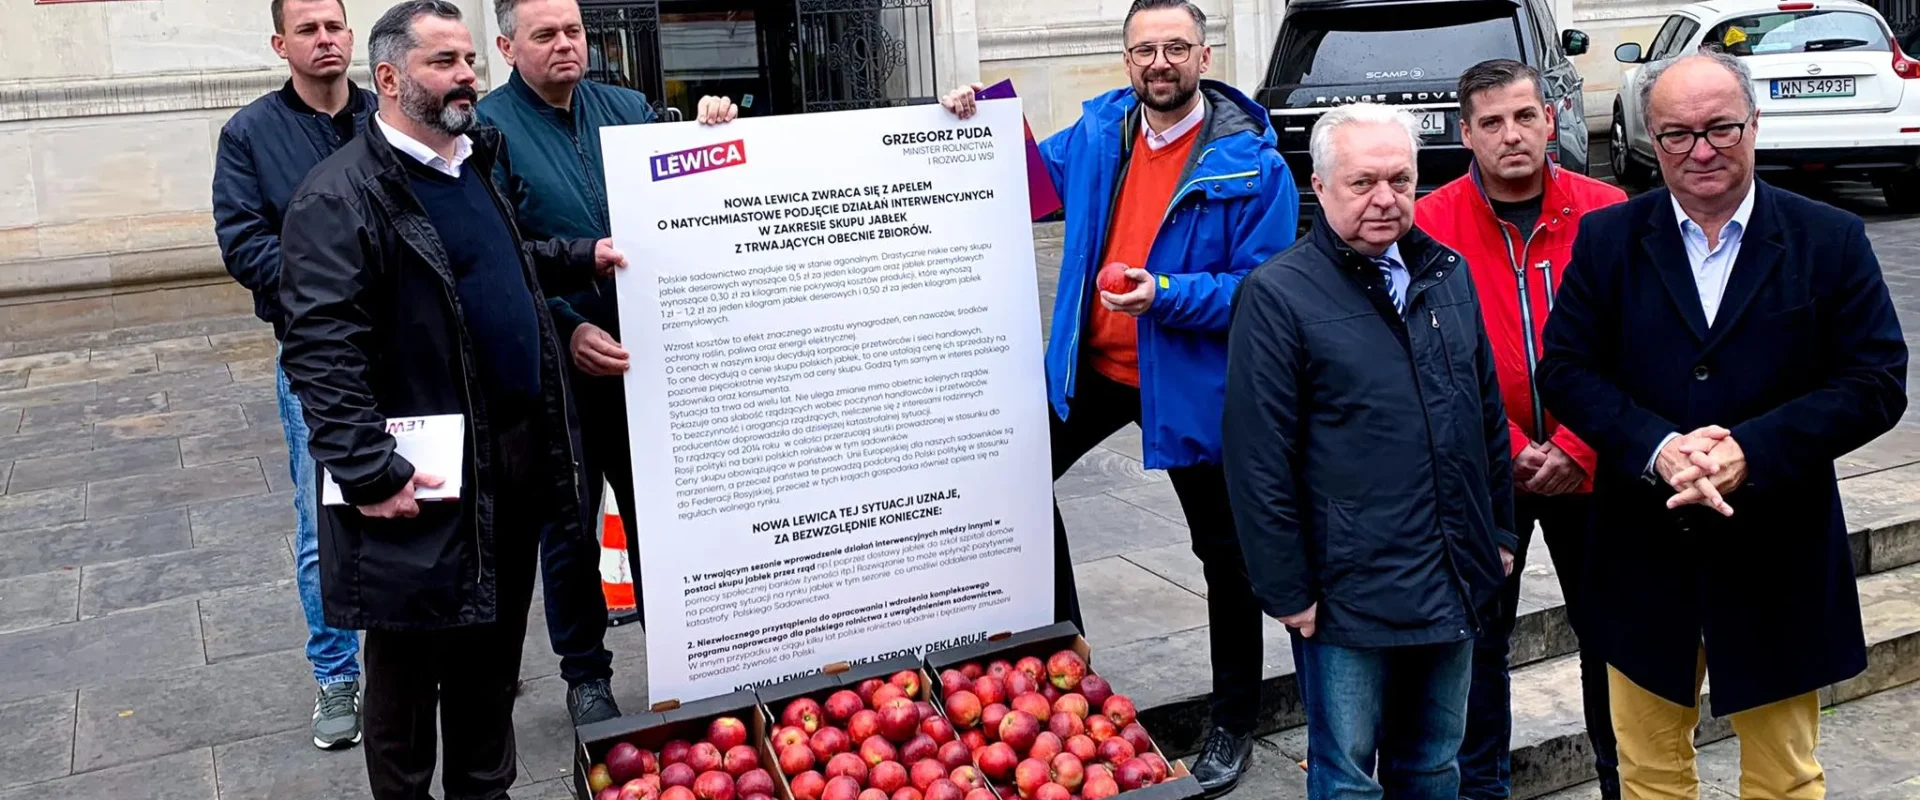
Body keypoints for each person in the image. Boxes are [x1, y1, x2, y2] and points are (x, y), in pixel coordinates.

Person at [942, 0, 1297, 792]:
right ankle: (1067, 662)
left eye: (1176, 47)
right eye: (1144, 50)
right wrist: (975, 118)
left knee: (1226, 556)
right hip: (1092, 370)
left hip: (1189, 382)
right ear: (1126, 60)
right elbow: (1031, 188)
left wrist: (1165, 292)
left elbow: (1260, 293)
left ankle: (1233, 725)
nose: (1159, 63)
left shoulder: (1253, 163)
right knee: (1013, 486)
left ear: (1205, 56)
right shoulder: (1103, 133)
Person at [1537, 50, 1907, 800]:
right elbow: (1566, 371)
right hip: (1642, 551)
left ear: (1755, 125)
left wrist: (1752, 450)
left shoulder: (1827, 238)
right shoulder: (1611, 239)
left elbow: (1875, 381)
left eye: (1720, 128)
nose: (1700, 150)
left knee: (1784, 778)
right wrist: (1658, 448)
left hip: (1777, 551)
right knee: (1650, 774)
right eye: (1677, 134)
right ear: (1649, 139)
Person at [277, 2, 625, 795]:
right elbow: (320, 350)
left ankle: (486, 788)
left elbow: (500, 262)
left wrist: (581, 257)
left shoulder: (468, 163)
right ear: (392, 78)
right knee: (406, 675)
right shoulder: (342, 195)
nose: (467, 75)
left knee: (490, 662)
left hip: (510, 458)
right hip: (418, 476)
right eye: (444, 62)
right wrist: (370, 472)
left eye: (469, 59)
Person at [1222, 101, 1516, 800]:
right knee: (1349, 777)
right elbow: (1257, 456)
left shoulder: (1448, 275)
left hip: (1451, 572)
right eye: (1362, 183)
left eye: (1401, 180)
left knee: (1433, 765)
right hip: (1344, 591)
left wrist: (1498, 531)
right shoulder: (1279, 295)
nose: (1385, 200)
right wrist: (1287, 589)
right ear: (1319, 187)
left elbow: (1486, 417)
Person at [476, 0, 736, 725]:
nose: (565, 45)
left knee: (666, 519)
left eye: (574, 31)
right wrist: (566, 330)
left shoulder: (626, 108)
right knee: (569, 527)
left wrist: (711, 124)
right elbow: (498, 258)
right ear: (505, 46)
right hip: (560, 373)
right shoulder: (488, 131)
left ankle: (685, 654)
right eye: (545, 35)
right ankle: (585, 675)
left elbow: (691, 195)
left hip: (653, 363)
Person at [1413, 59, 1625, 800]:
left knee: (1613, 642)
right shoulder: (1429, 224)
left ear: (1551, 119)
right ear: (1465, 133)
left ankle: (1621, 783)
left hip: (1595, 468)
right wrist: (1506, 446)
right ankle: (1482, 792)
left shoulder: (1607, 209)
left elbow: (1634, 347)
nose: (1513, 135)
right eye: (1493, 122)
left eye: (1525, 117)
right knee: (1478, 647)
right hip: (1482, 472)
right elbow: (1425, 360)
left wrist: (1577, 445)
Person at [210, 0, 376, 752]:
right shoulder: (249, 135)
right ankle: (337, 675)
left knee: (427, 498)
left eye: (335, 27)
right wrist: (341, 284)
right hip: (315, 355)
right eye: (307, 29)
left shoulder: (388, 113)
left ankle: (424, 655)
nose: (325, 40)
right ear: (282, 43)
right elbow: (246, 246)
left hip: (408, 350)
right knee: (325, 523)